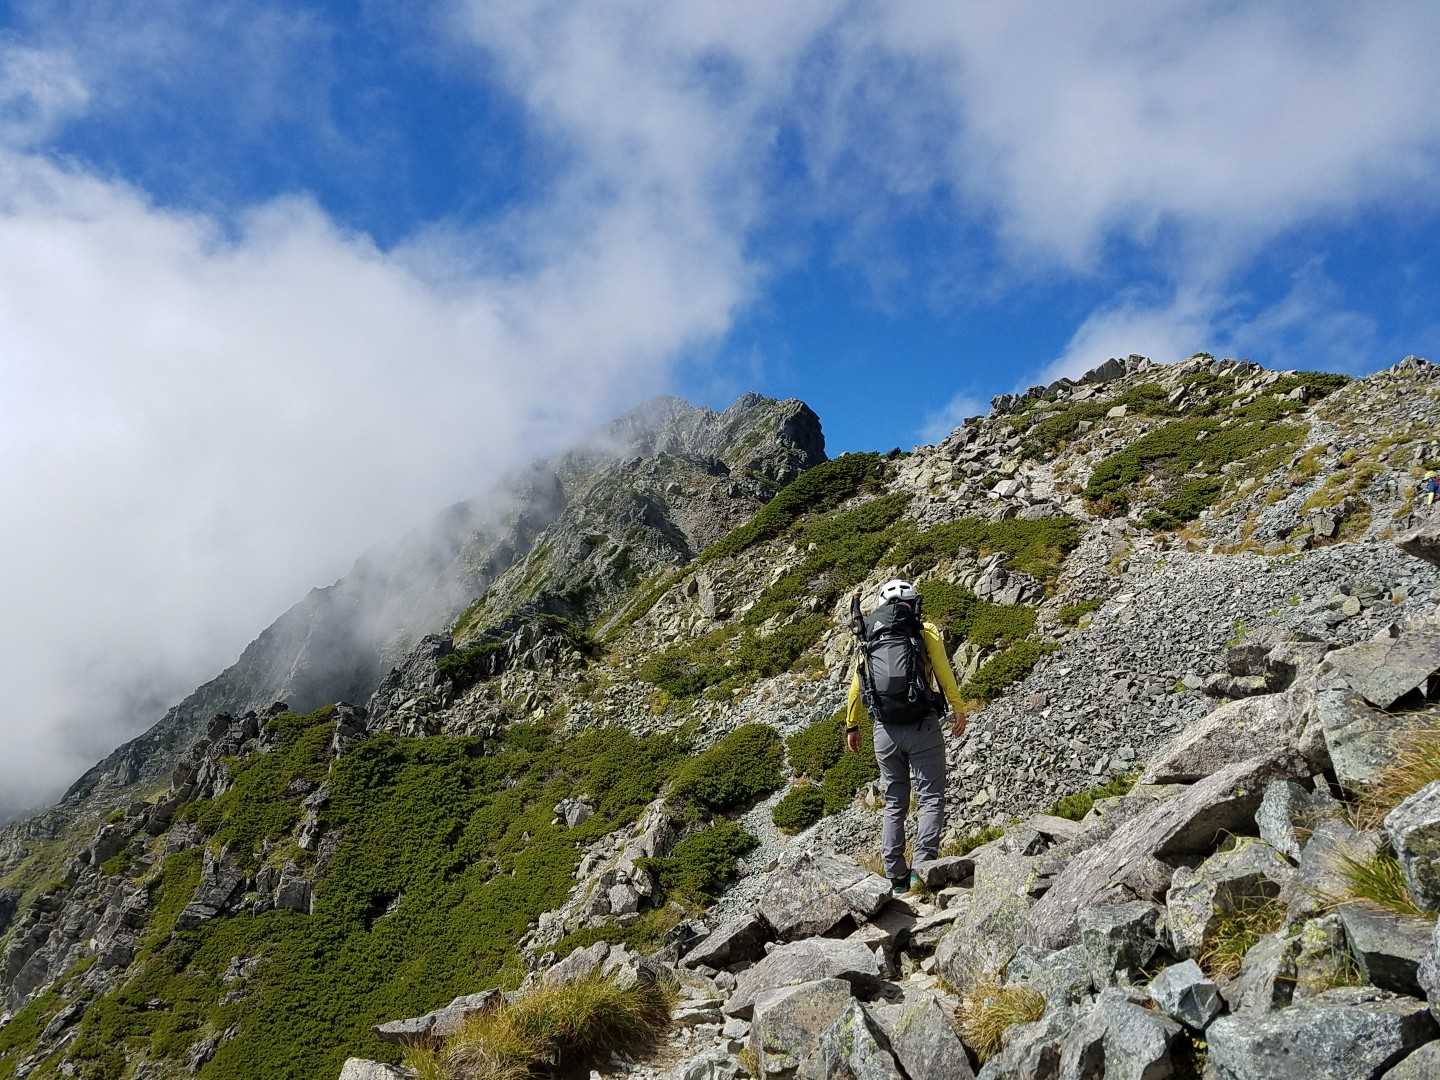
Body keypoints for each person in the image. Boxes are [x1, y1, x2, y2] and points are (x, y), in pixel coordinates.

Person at [843, 579, 967, 893]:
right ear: (913, 604)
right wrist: (958, 707)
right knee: (930, 797)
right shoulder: (925, 631)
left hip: (884, 730)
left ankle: (895, 878)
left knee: (895, 800)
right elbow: (943, 672)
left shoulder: (870, 634)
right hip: (922, 725)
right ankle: (922, 873)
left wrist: (852, 725)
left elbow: (857, 685)